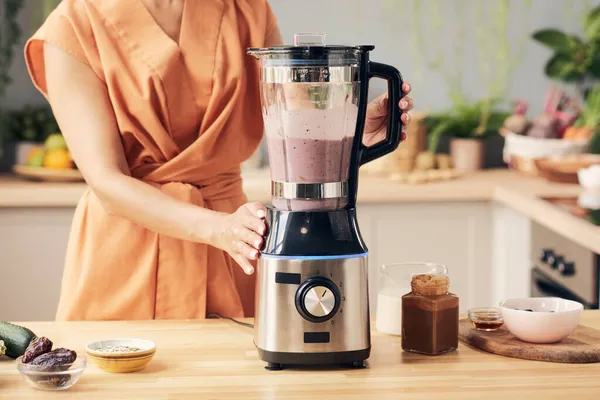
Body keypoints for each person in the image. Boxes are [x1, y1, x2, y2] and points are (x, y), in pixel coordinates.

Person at [24, 0, 414, 321]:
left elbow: (294, 123)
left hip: (235, 244)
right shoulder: (71, 27)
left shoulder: (247, 9)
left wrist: (347, 132)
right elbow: (106, 181)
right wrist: (217, 230)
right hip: (131, 251)